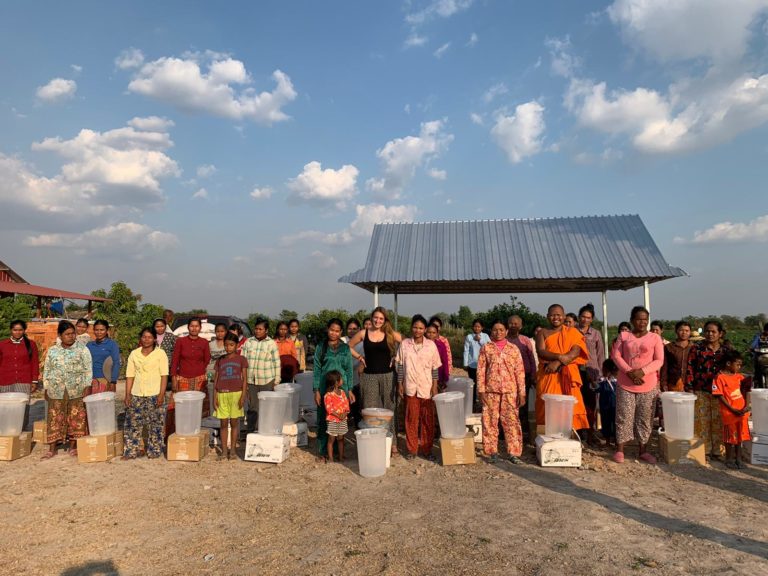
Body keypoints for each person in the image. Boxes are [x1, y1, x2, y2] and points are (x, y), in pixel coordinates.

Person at [610, 306, 664, 464]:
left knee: (645, 417)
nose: (643, 322)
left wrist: (642, 371)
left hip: (648, 383)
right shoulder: (624, 335)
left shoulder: (655, 338)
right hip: (626, 382)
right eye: (639, 319)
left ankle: (643, 450)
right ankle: (620, 449)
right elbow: (616, 355)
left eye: (645, 319)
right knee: (623, 416)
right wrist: (629, 371)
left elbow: (659, 360)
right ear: (632, 320)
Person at [348, 306, 403, 452]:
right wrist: (360, 357)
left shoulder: (390, 333)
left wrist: (396, 357)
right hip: (369, 376)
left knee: (389, 409)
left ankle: (393, 444)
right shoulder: (363, 333)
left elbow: (406, 343)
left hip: (388, 376)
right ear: (371, 318)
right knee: (370, 411)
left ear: (385, 320)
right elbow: (348, 346)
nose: (378, 321)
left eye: (381, 318)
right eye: (375, 317)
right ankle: (373, 443)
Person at [535, 304, 589, 434]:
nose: (555, 317)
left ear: (564, 316)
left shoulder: (572, 332)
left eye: (558, 315)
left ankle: (571, 436)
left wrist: (557, 362)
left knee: (570, 405)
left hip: (568, 374)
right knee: (546, 404)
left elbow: (575, 352)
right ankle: (546, 436)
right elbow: (541, 351)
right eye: (552, 315)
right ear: (547, 316)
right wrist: (559, 357)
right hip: (549, 374)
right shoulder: (542, 332)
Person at [477, 320, 526, 464]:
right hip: (490, 391)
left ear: (506, 331)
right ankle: (492, 452)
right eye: (494, 330)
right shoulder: (486, 348)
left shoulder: (513, 349)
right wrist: (481, 390)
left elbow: (520, 372)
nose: (498, 332)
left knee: (512, 422)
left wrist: (521, 393)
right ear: (491, 332)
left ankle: (514, 453)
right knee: (489, 421)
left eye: (501, 330)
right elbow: (480, 371)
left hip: (510, 392)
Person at [42, 321, 92, 458]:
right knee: (54, 417)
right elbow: (47, 369)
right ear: (60, 335)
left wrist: (87, 386)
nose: (71, 336)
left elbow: (88, 370)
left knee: (76, 417)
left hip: (77, 389)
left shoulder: (82, 349)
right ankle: (52, 448)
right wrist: (46, 386)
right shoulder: (53, 350)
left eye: (73, 333)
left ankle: (73, 446)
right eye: (67, 334)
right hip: (56, 389)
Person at [396, 315, 441, 461]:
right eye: (415, 327)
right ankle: (412, 449)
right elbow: (401, 365)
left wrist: (434, 386)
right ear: (411, 328)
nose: (418, 330)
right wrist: (400, 383)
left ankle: (427, 449)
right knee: (411, 418)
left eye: (421, 328)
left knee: (427, 419)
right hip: (410, 386)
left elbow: (435, 367)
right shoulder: (405, 344)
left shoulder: (431, 346)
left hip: (426, 386)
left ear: (425, 329)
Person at [686, 320, 731, 459]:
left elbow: (732, 370)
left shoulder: (726, 351)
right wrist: (689, 387)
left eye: (713, 332)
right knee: (702, 421)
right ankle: (704, 450)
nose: (710, 334)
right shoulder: (697, 349)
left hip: (721, 393)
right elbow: (689, 368)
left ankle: (718, 451)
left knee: (719, 421)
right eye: (707, 331)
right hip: (701, 389)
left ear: (720, 333)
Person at [123, 327, 168, 460]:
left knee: (156, 424)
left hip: (155, 393)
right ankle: (131, 451)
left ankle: (154, 450)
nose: (146, 340)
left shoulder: (160, 354)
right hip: (137, 393)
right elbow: (130, 375)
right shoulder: (134, 354)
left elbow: (164, 376)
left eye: (149, 337)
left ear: (154, 339)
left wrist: (161, 395)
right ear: (140, 338)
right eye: (144, 337)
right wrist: (127, 394)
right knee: (132, 424)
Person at [313, 319, 354, 459]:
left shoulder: (345, 348)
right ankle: (323, 451)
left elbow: (349, 370)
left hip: (342, 389)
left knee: (340, 419)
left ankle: (338, 451)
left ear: (341, 332)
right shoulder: (321, 347)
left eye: (337, 331)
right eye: (331, 330)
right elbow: (317, 369)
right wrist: (316, 390)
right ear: (327, 329)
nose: (333, 333)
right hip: (325, 388)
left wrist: (350, 390)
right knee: (324, 419)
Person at [712, 350, 750, 469]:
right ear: (728, 363)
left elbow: (746, 391)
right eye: (737, 364)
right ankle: (729, 458)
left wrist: (746, 406)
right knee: (729, 437)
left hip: (742, 412)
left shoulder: (740, 377)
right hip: (729, 413)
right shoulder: (720, 377)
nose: (739, 367)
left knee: (740, 436)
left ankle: (738, 458)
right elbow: (719, 395)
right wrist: (732, 409)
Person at [213, 333, 248, 461]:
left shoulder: (241, 359)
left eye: (231, 345)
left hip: (236, 394)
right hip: (222, 394)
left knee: (234, 423)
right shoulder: (220, 360)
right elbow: (216, 380)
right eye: (226, 345)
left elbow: (244, 379)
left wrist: (243, 396)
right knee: (223, 423)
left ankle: (232, 450)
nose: (228, 348)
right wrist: (214, 397)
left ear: (237, 346)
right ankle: (223, 451)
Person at [0, 320, 40, 430]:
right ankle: (6, 430)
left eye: (20, 330)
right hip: (5, 381)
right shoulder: (2, 344)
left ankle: (21, 430)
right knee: (6, 407)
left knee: (22, 407)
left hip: (24, 381)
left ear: (24, 330)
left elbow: (35, 362)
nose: (17, 332)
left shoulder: (31, 344)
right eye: (15, 330)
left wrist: (34, 380)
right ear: (11, 330)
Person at [242, 319, 280, 432]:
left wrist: (276, 381)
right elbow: (243, 361)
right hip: (251, 380)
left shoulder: (271, 343)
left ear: (266, 330)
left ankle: (265, 430)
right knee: (253, 407)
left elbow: (276, 362)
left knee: (266, 407)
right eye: (256, 329)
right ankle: (251, 431)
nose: (257, 331)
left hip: (267, 380)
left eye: (260, 329)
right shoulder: (248, 342)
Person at [577, 303, 605, 444]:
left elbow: (600, 354)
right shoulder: (572, 331)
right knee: (577, 403)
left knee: (591, 404)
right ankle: (578, 431)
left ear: (592, 319)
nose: (585, 320)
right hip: (576, 373)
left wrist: (601, 374)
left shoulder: (595, 334)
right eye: (583, 316)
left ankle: (590, 432)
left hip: (592, 373)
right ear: (579, 317)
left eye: (588, 317)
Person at [507, 315, 536, 439]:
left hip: (525, 377)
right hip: (508, 377)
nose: (514, 326)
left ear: (521, 326)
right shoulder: (504, 340)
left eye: (516, 323)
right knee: (509, 404)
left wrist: (534, 375)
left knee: (523, 404)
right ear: (507, 325)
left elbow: (532, 359)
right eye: (511, 323)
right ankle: (509, 432)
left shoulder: (525, 340)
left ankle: (524, 432)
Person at [170, 316, 211, 395]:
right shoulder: (180, 341)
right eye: (192, 326)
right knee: (182, 404)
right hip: (182, 378)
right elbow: (175, 361)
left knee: (199, 404)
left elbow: (207, 360)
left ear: (200, 328)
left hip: (200, 379)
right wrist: (173, 378)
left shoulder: (204, 342)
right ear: (188, 327)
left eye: (196, 326)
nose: (194, 328)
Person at [86, 320, 120, 394]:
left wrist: (113, 381)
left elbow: (116, 363)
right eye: (96, 330)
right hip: (90, 381)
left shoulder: (112, 345)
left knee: (104, 405)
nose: (99, 332)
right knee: (91, 405)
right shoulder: (89, 345)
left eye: (102, 330)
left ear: (107, 330)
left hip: (105, 380)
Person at [324, 370, 350, 463]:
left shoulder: (342, 392)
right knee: (331, 438)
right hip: (332, 420)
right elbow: (329, 409)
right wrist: (339, 415)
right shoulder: (328, 395)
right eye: (341, 379)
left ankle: (341, 456)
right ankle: (331, 458)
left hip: (342, 420)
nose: (342, 380)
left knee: (341, 438)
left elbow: (346, 405)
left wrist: (345, 414)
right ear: (336, 382)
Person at [463, 319, 490, 407]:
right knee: (473, 383)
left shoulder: (485, 336)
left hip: (484, 365)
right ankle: (473, 402)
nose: (477, 328)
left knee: (484, 383)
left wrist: (480, 340)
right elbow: (466, 350)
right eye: (475, 326)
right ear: (472, 327)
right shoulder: (469, 337)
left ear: (482, 328)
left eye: (479, 326)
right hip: (472, 365)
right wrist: (465, 363)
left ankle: (485, 402)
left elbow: (489, 347)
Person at [661, 321, 692, 392]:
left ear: (690, 332)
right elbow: (665, 367)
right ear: (676, 331)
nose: (684, 333)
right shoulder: (669, 347)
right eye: (681, 330)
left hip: (690, 383)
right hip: (673, 382)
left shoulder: (694, 347)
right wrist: (663, 384)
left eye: (687, 331)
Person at [592, 359, 618, 445]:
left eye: (603, 369)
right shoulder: (602, 381)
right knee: (605, 423)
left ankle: (616, 441)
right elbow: (596, 389)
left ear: (608, 370)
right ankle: (607, 441)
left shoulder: (616, 381)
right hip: (604, 407)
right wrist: (592, 382)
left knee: (615, 423)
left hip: (615, 407)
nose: (602, 370)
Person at [427, 324, 450, 391]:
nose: (431, 334)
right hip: (424, 376)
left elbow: (445, 361)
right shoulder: (421, 345)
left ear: (437, 334)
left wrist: (445, 378)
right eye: (429, 332)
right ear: (425, 331)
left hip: (438, 376)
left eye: (434, 333)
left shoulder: (441, 345)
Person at [749, 323, 768, 388]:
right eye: (767, 330)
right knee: (757, 367)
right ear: (765, 330)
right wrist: (752, 348)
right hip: (760, 356)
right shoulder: (759, 336)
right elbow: (754, 344)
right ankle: (756, 378)